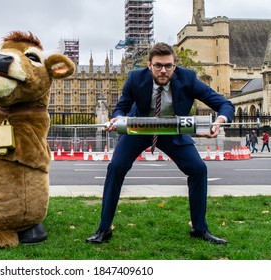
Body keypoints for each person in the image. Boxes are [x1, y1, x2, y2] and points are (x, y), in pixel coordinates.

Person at [86, 43, 234, 245]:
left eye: (168, 65)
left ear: (175, 65)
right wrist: (116, 119)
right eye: (158, 65)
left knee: (198, 169)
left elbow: (224, 104)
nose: (163, 70)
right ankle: (104, 229)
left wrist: (220, 121)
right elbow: (121, 107)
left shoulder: (188, 78)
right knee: (116, 167)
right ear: (149, 65)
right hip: (139, 128)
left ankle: (199, 228)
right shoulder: (135, 78)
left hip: (171, 130)